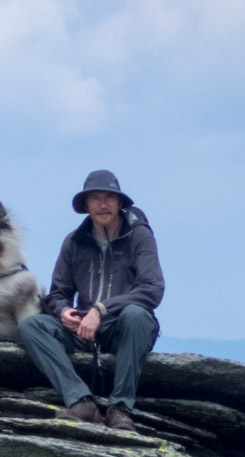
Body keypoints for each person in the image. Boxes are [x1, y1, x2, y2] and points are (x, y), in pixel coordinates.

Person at [17, 169, 163, 432]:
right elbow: (58, 293)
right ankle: (81, 401)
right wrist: (63, 312)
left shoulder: (139, 236)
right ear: (85, 206)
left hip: (124, 328)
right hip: (83, 330)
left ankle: (120, 409)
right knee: (31, 326)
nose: (103, 204)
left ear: (120, 203)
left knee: (137, 315)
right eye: (95, 198)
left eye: (109, 198)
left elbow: (152, 289)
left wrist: (101, 310)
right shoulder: (73, 242)